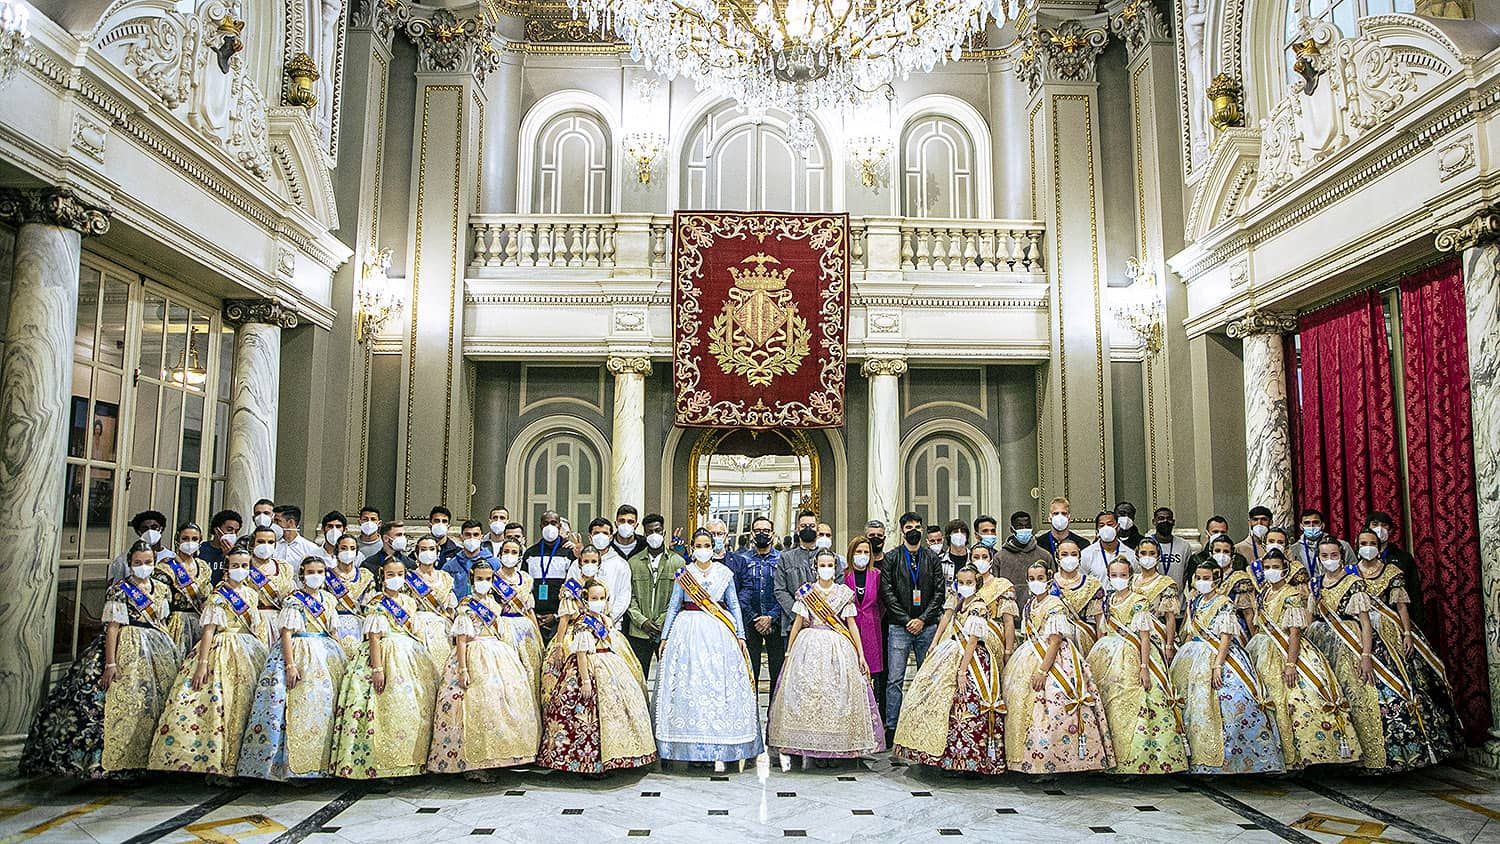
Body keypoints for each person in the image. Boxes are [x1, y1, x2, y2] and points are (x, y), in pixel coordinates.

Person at [22, 541, 180, 777]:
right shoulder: (120, 589)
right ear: (130, 564)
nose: (143, 567)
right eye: (138, 563)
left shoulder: (162, 589)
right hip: (126, 644)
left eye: (148, 562)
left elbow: (161, 621)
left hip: (158, 647)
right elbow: (113, 628)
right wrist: (110, 663)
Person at [1305, 536, 1438, 772]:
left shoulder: (1354, 583)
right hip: (1323, 645)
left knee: (1362, 696)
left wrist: (1366, 656)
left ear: (1343, 557)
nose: (1329, 560)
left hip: (1353, 645)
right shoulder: (1314, 584)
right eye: (1324, 556)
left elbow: (1366, 624)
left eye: (1334, 556)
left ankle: (1368, 757)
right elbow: (1310, 619)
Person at [150, 545, 270, 777]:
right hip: (221, 649)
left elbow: (256, 627)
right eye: (235, 566)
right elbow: (208, 631)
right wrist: (202, 663)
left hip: (248, 649)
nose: (240, 570)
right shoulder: (217, 596)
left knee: (244, 705)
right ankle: (217, 764)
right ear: (227, 567)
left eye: (244, 566)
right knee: (220, 706)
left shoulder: (252, 594)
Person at [654, 530, 762, 772]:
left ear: (713, 547)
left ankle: (720, 749)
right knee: (690, 687)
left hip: (719, 633)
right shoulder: (684, 574)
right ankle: (689, 749)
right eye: (698, 545)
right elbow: (673, 606)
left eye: (707, 544)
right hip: (687, 630)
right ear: (691, 548)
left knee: (717, 688)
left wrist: (741, 635)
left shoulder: (725, 573)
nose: (702, 548)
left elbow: (733, 604)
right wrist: (665, 636)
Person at [893, 563, 1015, 773]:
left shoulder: (979, 607)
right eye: (962, 582)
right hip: (950, 650)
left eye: (969, 583)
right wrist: (934, 643)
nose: (965, 586)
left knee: (965, 705)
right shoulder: (960, 602)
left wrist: (961, 670)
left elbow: (973, 641)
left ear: (976, 584)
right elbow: (946, 619)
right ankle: (944, 756)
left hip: (972, 660)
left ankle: (969, 760)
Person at [1353, 528, 1463, 761]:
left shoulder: (1392, 572)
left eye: (1372, 542)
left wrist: (1407, 633)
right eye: (1363, 542)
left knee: (1408, 683)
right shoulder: (1350, 573)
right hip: (1360, 634)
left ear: (1379, 545)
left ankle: (1417, 749)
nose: (1368, 546)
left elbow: (1402, 607)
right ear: (1357, 545)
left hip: (1390, 631)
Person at [237, 555, 350, 781]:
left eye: (320, 572)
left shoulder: (328, 599)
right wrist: (290, 664)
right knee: (297, 708)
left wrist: (344, 657)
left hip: (327, 653)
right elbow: (286, 633)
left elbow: (333, 630)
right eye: (311, 572)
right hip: (299, 651)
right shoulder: (294, 600)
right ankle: (290, 767)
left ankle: (323, 764)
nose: (315, 576)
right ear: (302, 575)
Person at [1244, 549, 1359, 770]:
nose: (1271, 571)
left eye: (1276, 567)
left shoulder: (1292, 595)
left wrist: (1290, 663)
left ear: (1285, 569)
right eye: (1267, 567)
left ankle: (1299, 757)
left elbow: (1295, 632)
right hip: (1261, 648)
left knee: (1293, 699)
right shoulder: (1262, 593)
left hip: (1287, 651)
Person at [768, 549, 883, 769]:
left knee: (838, 695)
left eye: (830, 565)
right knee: (810, 696)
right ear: (815, 567)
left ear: (835, 567)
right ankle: (813, 748)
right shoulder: (806, 593)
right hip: (808, 645)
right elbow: (798, 622)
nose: (826, 569)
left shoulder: (844, 593)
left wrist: (860, 654)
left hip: (838, 647)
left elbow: (851, 625)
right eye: (822, 565)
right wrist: (789, 651)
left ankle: (837, 748)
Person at [428, 557, 543, 776]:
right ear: (472, 580)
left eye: (488, 579)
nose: (484, 582)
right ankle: (472, 764)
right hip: (473, 655)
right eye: (480, 578)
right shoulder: (466, 605)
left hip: (499, 655)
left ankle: (498, 756)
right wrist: (463, 669)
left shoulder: (494, 604)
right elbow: (461, 639)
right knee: (475, 704)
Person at [1168, 560, 1284, 774]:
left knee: (1232, 704)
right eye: (1199, 578)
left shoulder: (1224, 603)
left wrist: (1218, 665)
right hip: (1191, 656)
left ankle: (1230, 762)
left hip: (1218, 657)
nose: (1202, 582)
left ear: (1216, 579)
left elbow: (1226, 636)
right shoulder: (1195, 602)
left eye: (1207, 578)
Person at [330, 559, 439, 779]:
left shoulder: (409, 602)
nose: (395, 578)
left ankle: (411, 761)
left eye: (399, 574)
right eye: (391, 574)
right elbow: (373, 637)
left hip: (410, 656)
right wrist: (378, 668)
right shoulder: (376, 602)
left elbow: (414, 631)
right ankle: (381, 765)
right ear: (383, 576)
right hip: (384, 654)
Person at [1003, 560, 1115, 773]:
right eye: (1032, 579)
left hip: (1055, 661)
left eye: (1041, 578)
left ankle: (1054, 761)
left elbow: (1055, 640)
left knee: (1052, 706)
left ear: (1049, 578)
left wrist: (1043, 671)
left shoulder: (1054, 604)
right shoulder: (1029, 605)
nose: (1036, 583)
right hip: (1029, 655)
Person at [538, 579, 658, 773]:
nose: (599, 601)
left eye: (602, 598)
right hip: (588, 668)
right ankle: (590, 762)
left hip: (610, 664)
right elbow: (582, 654)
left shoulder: (604, 619)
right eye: (594, 598)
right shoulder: (583, 623)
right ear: (585, 599)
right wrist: (585, 681)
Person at [1085, 558, 1189, 774]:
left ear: (1130, 576)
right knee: (1110, 706)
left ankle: (1137, 761)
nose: (1118, 579)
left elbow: (1144, 637)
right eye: (1114, 575)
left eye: (1123, 575)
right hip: (1108, 656)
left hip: (1134, 657)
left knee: (1137, 705)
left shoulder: (1139, 601)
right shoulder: (1108, 600)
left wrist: (1143, 667)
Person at [880, 510, 945, 740]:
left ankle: (926, 722)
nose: (914, 531)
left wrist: (923, 619)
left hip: (927, 627)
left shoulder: (932, 558)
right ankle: (892, 726)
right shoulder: (891, 558)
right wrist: (907, 620)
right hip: (899, 627)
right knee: (894, 679)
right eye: (909, 528)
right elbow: (887, 593)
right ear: (902, 531)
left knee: (927, 677)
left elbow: (939, 593)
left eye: (918, 526)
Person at [731, 514, 785, 698]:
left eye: (766, 531)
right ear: (752, 534)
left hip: (776, 623)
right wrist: (754, 618)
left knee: (778, 674)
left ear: (773, 534)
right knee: (748, 672)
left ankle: (774, 720)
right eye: (758, 530)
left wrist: (771, 617)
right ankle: (750, 719)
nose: (762, 534)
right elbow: (738, 592)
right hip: (749, 623)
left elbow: (784, 591)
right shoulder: (741, 559)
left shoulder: (782, 559)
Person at [626, 513, 683, 678]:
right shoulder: (634, 562)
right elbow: (629, 596)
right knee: (638, 678)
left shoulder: (678, 562)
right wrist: (642, 621)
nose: (654, 535)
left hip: (666, 630)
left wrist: (661, 621)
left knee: (669, 677)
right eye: (650, 532)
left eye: (657, 531)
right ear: (644, 534)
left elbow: (678, 599)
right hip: (638, 631)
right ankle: (641, 705)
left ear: (664, 533)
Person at [843, 537, 886, 720]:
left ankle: (873, 717)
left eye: (866, 552)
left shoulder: (877, 575)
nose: (862, 556)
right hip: (848, 630)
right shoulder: (843, 575)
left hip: (872, 629)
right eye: (858, 552)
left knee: (873, 674)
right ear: (851, 554)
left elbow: (883, 602)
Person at [155, 521, 213, 655]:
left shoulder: (203, 567)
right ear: (177, 540)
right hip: (175, 623)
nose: (190, 542)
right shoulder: (166, 567)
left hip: (200, 623)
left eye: (194, 539)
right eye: (185, 539)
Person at [408, 534, 460, 675]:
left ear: (437, 553)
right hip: (418, 626)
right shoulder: (408, 578)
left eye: (431, 549)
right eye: (423, 549)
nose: (427, 553)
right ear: (416, 554)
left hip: (443, 628)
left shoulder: (445, 577)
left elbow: (450, 609)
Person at [1364, 511, 1424, 628]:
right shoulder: (1358, 558)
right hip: (1368, 621)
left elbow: (1414, 592)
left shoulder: (1403, 558)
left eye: (1384, 525)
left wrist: (1417, 623)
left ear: (1390, 530)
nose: (1379, 529)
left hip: (1399, 618)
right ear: (1367, 527)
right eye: (1375, 524)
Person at [574, 517, 633, 631]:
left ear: (611, 537)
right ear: (590, 537)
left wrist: (608, 618)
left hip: (611, 625)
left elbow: (624, 596)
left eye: (605, 533)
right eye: (596, 533)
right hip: (581, 625)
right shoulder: (576, 564)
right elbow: (572, 593)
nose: (601, 536)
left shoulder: (621, 564)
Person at [525, 510, 575, 640]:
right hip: (534, 618)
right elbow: (524, 588)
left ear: (559, 526)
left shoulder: (568, 553)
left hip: (561, 620)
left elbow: (572, 590)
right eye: (546, 523)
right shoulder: (530, 553)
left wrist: (556, 616)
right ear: (541, 526)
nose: (549, 527)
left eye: (553, 523)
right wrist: (533, 614)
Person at [1131, 538, 1181, 666]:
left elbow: (1170, 618)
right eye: (1143, 553)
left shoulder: (1165, 583)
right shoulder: (1130, 580)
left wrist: (1169, 645)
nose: (1147, 557)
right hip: (1132, 634)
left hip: (1155, 636)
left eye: (1152, 553)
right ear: (1137, 555)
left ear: (1158, 556)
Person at [1051, 538, 1105, 655]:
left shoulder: (1092, 584)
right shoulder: (1049, 583)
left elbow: (1100, 621)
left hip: (1084, 642)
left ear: (1079, 557)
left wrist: (1100, 649)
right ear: (1057, 557)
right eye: (1064, 554)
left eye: (1073, 554)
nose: (1069, 557)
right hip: (1053, 643)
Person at [248, 525, 298, 647]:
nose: (266, 545)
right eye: (260, 542)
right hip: (252, 622)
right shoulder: (244, 566)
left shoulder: (284, 568)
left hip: (279, 622)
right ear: (252, 544)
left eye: (270, 542)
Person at [326, 532, 377, 644]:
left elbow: (370, 605)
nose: (348, 552)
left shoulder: (365, 576)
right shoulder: (327, 576)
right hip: (333, 625)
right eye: (343, 548)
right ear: (336, 551)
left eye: (352, 548)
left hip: (360, 626)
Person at [995, 511, 1052, 588]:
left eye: (1027, 526)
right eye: (1020, 526)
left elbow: (1051, 585)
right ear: (1012, 529)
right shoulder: (1000, 557)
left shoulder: (1045, 556)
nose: (1024, 529)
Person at [108, 509, 167, 582]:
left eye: (154, 527)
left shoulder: (172, 558)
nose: (150, 531)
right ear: (139, 532)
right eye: (145, 528)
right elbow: (115, 587)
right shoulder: (122, 560)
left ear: (161, 529)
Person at [1291, 508, 1354, 576]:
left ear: (1322, 525)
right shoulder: (1294, 549)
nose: (1311, 526)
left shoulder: (1343, 545)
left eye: (1315, 522)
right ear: (1301, 526)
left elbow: (1353, 569)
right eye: (1307, 523)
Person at [443, 520, 496, 599]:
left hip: (485, 608)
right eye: (468, 534)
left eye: (476, 535)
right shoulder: (450, 566)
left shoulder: (494, 563)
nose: (472, 538)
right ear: (461, 537)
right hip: (458, 609)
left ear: (481, 537)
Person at [1080, 511, 1137, 582]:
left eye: (1110, 524)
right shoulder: (1086, 554)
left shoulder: (1131, 555)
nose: (1106, 528)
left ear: (1118, 527)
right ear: (1097, 530)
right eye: (1101, 525)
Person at [1148, 507, 1195, 588]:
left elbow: (1187, 574)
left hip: (1177, 597)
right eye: (1161, 518)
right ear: (1154, 522)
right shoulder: (1146, 544)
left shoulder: (1184, 545)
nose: (1165, 521)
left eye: (1168, 518)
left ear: (1173, 522)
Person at [199, 509, 243, 577]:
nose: (233, 534)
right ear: (217, 530)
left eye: (236, 531)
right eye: (229, 530)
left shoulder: (238, 553)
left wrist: (230, 556)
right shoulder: (201, 549)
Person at [1235, 506, 1275, 570]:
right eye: (1255, 520)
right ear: (1249, 522)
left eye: (1264, 519)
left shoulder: (1278, 545)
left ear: (1271, 522)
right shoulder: (1239, 548)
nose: (1259, 523)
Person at [938, 518, 971, 582]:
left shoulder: (974, 559)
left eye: (963, 532)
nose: (960, 534)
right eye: (955, 532)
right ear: (949, 536)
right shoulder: (939, 560)